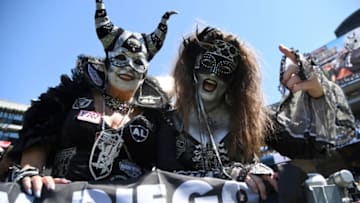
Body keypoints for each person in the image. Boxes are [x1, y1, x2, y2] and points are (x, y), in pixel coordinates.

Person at [7, 0, 177, 198]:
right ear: (105, 64)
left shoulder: (156, 117)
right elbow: (39, 132)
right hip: (63, 197)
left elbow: (171, 165)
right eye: (121, 58)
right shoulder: (72, 97)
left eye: (138, 62)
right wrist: (31, 172)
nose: (129, 67)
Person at [168, 26, 356, 202]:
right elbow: (145, 177)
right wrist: (233, 173)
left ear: (236, 80)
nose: (214, 74)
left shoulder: (252, 119)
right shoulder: (162, 119)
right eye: (208, 63)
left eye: (225, 68)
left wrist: (317, 91)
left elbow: (317, 147)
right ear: (190, 68)